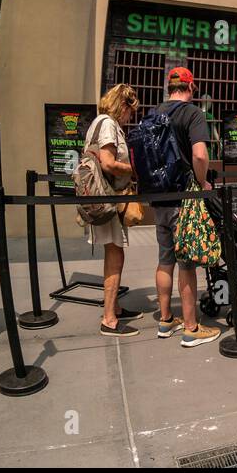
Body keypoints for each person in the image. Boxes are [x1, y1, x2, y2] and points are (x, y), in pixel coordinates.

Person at [151, 67, 221, 347]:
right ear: (191, 87)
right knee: (187, 262)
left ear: (170, 87)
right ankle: (191, 327)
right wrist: (202, 182)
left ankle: (166, 319)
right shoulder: (192, 113)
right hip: (184, 198)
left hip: (160, 197)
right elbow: (200, 155)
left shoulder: (155, 113)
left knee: (164, 259)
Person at [82, 83, 145, 336]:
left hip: (105, 197)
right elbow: (108, 163)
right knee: (115, 255)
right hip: (108, 198)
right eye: (131, 110)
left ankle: (114, 307)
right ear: (123, 105)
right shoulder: (107, 123)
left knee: (114, 253)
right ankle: (109, 318)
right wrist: (135, 170)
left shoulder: (100, 122)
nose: (131, 116)